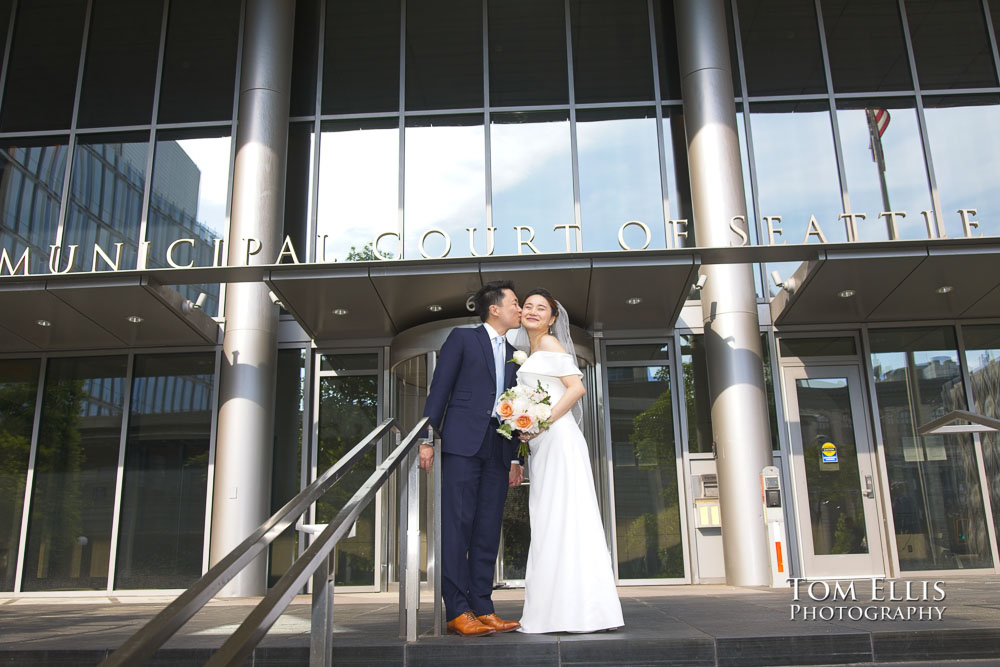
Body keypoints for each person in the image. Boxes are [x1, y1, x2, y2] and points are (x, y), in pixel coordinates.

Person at [418, 280, 525, 637]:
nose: (519, 308)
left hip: (497, 448)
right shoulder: (462, 339)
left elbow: (515, 410)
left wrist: (514, 459)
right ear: (494, 308)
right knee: (457, 526)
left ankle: (483, 606)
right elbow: (440, 389)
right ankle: (457, 610)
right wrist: (427, 437)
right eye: (514, 302)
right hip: (462, 444)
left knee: (487, 530)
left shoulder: (514, 353)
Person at [513, 288, 623, 633]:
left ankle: (576, 611)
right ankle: (561, 609)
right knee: (549, 520)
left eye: (540, 308)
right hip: (543, 444)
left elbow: (576, 388)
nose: (532, 311)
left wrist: (541, 422)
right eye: (527, 306)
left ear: (553, 317)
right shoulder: (527, 351)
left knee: (563, 518)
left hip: (559, 440)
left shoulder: (549, 346)